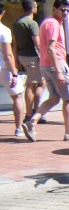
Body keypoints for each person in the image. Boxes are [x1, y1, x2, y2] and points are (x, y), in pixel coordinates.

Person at [24, 0, 69, 142]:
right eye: (62, 10)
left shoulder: (47, 22)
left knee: (54, 98)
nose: (65, 13)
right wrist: (59, 71)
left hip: (45, 65)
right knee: (68, 99)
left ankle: (32, 121)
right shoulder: (53, 24)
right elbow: (50, 48)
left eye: (68, 10)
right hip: (56, 64)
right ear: (54, 9)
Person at [13, 0, 42, 137]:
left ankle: (35, 111)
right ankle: (31, 114)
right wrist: (44, 55)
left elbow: (14, 43)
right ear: (34, 7)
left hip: (21, 56)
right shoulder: (32, 23)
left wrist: (15, 60)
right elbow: (37, 42)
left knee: (36, 83)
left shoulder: (17, 23)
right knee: (33, 84)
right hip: (32, 57)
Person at [0, 7, 23, 139]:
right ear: (3, 13)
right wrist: (14, 72)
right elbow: (8, 54)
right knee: (17, 96)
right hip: (4, 68)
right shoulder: (4, 30)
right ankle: (19, 128)